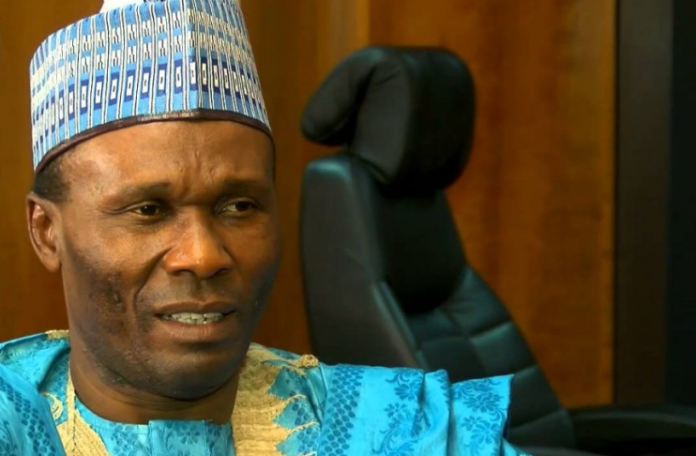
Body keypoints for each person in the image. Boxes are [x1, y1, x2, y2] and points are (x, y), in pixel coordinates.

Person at [0, 0, 532, 454]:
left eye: (238, 206)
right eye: (149, 211)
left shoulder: (405, 431)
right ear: (46, 231)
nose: (203, 255)